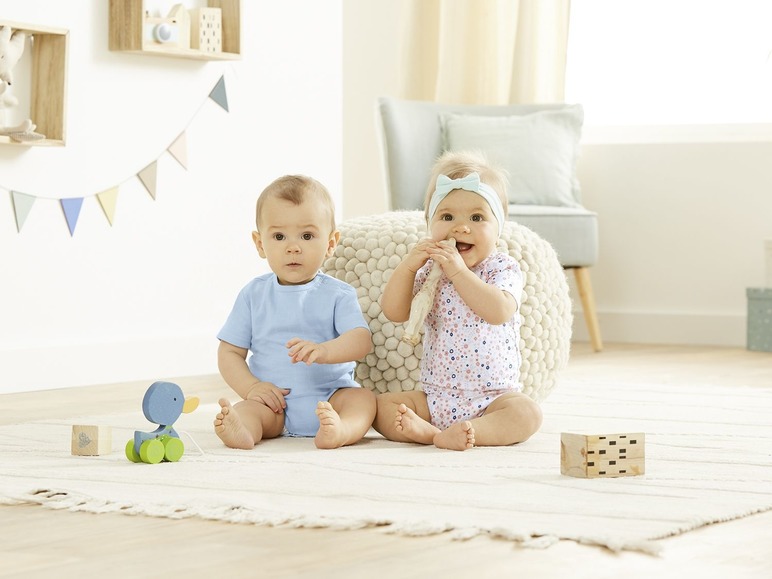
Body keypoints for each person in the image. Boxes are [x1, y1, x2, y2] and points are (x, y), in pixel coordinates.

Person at [373, 151, 543, 451]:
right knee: (380, 407)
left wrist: (459, 271)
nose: (461, 227)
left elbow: (499, 311)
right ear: (429, 223)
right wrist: (408, 268)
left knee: (527, 414)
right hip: (435, 397)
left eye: (477, 218)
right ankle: (433, 433)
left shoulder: (502, 268)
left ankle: (471, 431)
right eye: (447, 216)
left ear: (498, 228)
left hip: (493, 398)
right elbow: (394, 312)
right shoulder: (429, 272)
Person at [213, 174, 375, 450]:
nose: (293, 247)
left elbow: (361, 340)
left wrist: (325, 351)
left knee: (364, 401)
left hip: (331, 397)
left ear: (331, 243)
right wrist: (252, 388)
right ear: (260, 244)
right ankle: (245, 431)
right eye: (279, 236)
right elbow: (229, 353)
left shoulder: (338, 294)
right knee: (248, 409)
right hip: (274, 402)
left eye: (307, 235)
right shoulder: (254, 295)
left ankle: (341, 430)